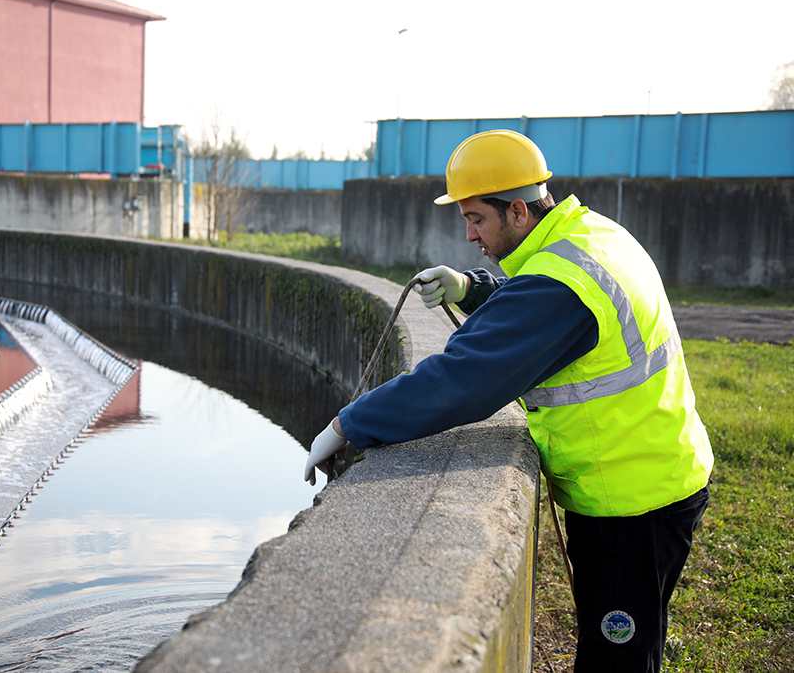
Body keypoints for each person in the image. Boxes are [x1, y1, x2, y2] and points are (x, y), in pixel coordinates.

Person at [303, 130, 713, 672]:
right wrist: (470, 288)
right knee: (625, 645)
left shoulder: (561, 283)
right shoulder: (591, 236)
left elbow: (462, 380)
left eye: (477, 219)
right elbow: (534, 303)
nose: (470, 234)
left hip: (631, 501)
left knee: (617, 659)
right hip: (656, 470)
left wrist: (347, 423)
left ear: (518, 210)